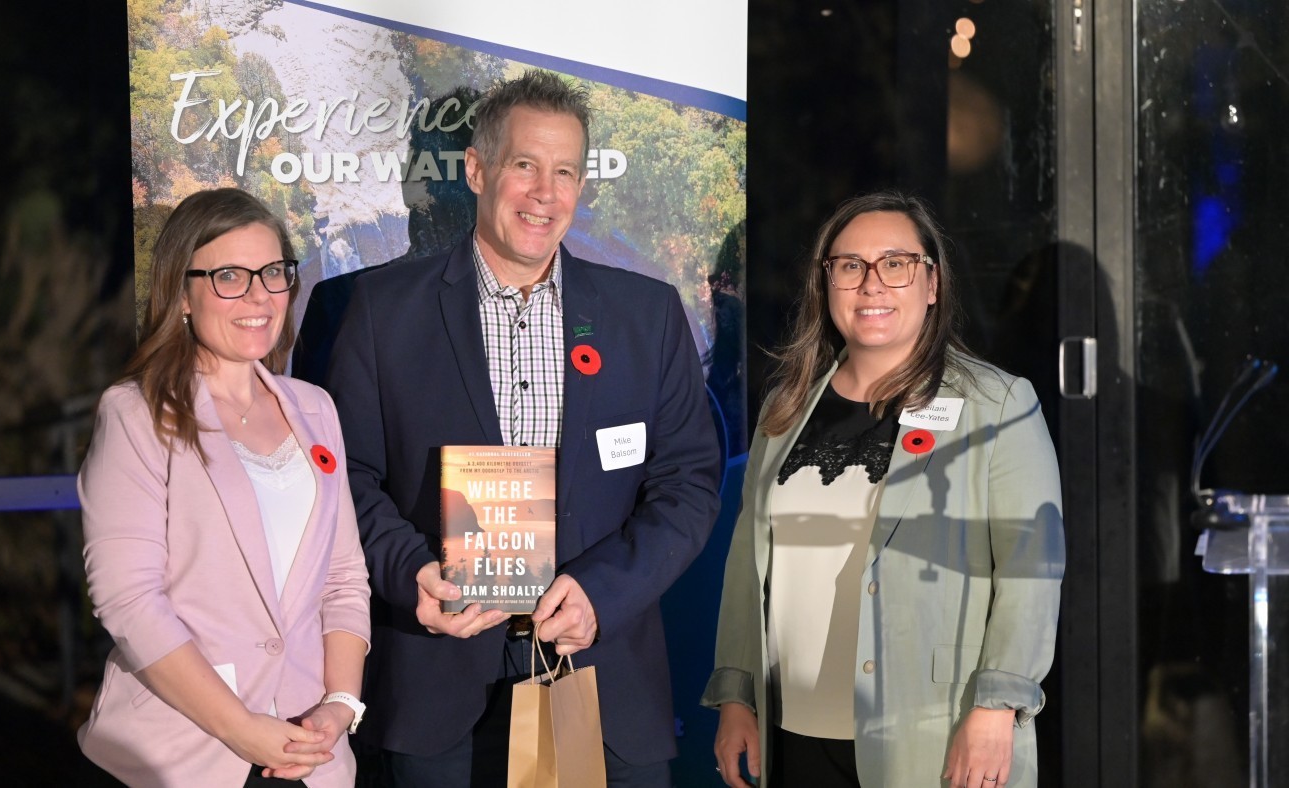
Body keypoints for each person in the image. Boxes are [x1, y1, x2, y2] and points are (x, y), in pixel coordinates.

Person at [322, 69, 720, 787]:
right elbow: (344, 477)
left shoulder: (647, 316)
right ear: (476, 170)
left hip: (600, 683)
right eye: (525, 166)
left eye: (565, 171)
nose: (545, 194)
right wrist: (409, 571)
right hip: (438, 688)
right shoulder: (383, 313)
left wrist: (604, 592)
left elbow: (688, 484)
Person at [704, 191, 1064, 788]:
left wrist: (998, 707)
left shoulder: (997, 405)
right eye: (850, 266)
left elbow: (1033, 568)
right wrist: (736, 693)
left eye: (895, 264)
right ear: (827, 284)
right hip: (791, 736)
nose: (871, 284)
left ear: (932, 283)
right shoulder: (785, 407)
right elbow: (748, 563)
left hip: (932, 736)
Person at [76, 188, 372, 787]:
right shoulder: (136, 414)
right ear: (181, 294)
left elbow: (343, 578)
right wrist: (239, 726)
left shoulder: (315, 409)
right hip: (181, 756)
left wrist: (341, 705)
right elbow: (128, 599)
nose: (259, 296)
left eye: (273, 273)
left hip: (311, 757)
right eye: (230, 276)